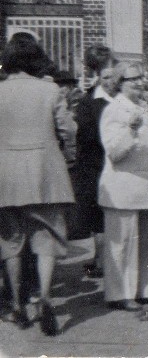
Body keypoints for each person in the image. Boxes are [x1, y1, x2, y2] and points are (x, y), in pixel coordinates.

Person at [0, 34, 76, 335]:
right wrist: (69, 156)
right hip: (46, 172)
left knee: (11, 240)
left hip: (6, 174)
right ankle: (44, 298)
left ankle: (17, 304)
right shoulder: (51, 90)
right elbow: (68, 129)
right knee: (48, 237)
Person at [99, 61, 148, 313]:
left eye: (140, 77)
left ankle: (145, 290)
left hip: (147, 184)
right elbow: (114, 151)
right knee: (122, 243)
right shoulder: (114, 109)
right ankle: (120, 294)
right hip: (122, 186)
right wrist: (131, 130)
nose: (139, 82)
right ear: (119, 83)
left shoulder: (145, 106)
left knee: (147, 242)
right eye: (132, 79)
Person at [73, 45, 118, 279]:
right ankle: (100, 260)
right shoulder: (89, 102)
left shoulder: (120, 97)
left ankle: (104, 259)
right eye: (106, 71)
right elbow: (86, 139)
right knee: (99, 218)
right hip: (97, 165)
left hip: (118, 163)